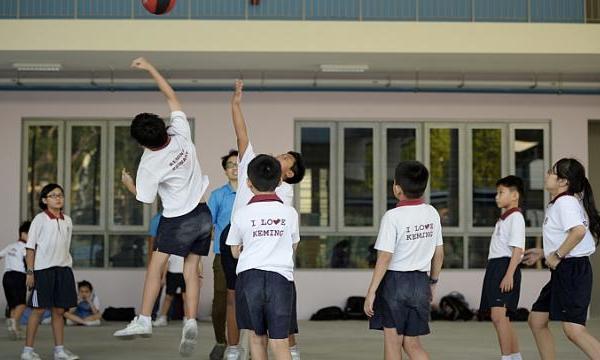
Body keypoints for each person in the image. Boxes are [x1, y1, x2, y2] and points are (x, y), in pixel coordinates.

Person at [114, 57, 212, 359]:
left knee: (156, 267)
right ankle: (190, 320)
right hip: (203, 214)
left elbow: (144, 198)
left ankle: (143, 319)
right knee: (191, 271)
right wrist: (151, 68)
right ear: (162, 127)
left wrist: (128, 183)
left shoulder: (149, 164)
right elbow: (171, 96)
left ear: (142, 143)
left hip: (178, 219)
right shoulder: (181, 132)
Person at [224, 80, 306, 360]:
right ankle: (235, 347)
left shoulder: (284, 195)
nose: (278, 156)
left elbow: (287, 242)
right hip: (257, 259)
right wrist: (236, 104)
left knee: (262, 336)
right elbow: (241, 134)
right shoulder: (256, 164)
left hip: (254, 258)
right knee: (263, 330)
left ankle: (285, 349)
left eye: (285, 158)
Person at [364, 160, 444, 360]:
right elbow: (439, 253)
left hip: (395, 283)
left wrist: (371, 291)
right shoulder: (432, 213)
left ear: (397, 188)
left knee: (393, 342)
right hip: (420, 282)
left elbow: (384, 257)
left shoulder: (393, 217)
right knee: (412, 343)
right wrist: (432, 283)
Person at [522, 158, 600, 359]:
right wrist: (543, 253)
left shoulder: (565, 202)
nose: (547, 174)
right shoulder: (562, 202)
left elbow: (579, 231)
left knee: (574, 331)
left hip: (572, 270)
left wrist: (557, 256)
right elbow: (569, 236)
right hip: (565, 269)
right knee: (537, 320)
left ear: (563, 182)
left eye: (551, 172)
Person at [226, 154, 300, 360]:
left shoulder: (241, 214)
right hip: (281, 280)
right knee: (280, 340)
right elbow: (293, 244)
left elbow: (234, 251)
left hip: (249, 279)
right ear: (279, 181)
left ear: (249, 183)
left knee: (257, 338)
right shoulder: (289, 213)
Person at [22, 184, 79, 360]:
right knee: (38, 310)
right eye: (53, 195)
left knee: (59, 311)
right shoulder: (39, 220)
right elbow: (30, 248)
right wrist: (30, 272)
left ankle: (59, 350)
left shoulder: (67, 220)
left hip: (63, 270)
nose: (58, 198)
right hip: (43, 271)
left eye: (60, 195)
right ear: (45, 200)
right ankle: (28, 351)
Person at [479, 176, 525, 360]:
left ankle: (506, 357)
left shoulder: (516, 217)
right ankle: (515, 357)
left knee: (499, 317)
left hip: (504, 268)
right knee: (502, 319)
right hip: (496, 267)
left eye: (501, 193)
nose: (497, 197)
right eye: (497, 193)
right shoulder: (504, 219)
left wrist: (509, 275)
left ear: (514, 195)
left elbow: (517, 249)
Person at [207, 149, 238, 360]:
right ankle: (220, 341)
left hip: (249, 256)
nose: (235, 168)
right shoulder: (218, 195)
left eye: (238, 164)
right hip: (222, 255)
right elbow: (206, 225)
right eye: (230, 165)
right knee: (220, 301)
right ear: (225, 171)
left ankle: (244, 344)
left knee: (246, 302)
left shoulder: (252, 193)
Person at [1, 221, 30, 340]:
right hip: (18, 276)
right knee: (22, 304)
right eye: (30, 234)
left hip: (6, 277)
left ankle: (15, 329)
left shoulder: (10, 246)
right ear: (23, 234)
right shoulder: (26, 248)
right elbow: (28, 262)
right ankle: (13, 322)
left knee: (13, 305)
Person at [153, 255, 186, 327]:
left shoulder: (187, 247)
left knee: (185, 298)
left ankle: (187, 319)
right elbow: (167, 263)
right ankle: (163, 318)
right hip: (171, 274)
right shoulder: (171, 247)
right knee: (168, 297)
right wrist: (164, 277)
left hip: (184, 273)